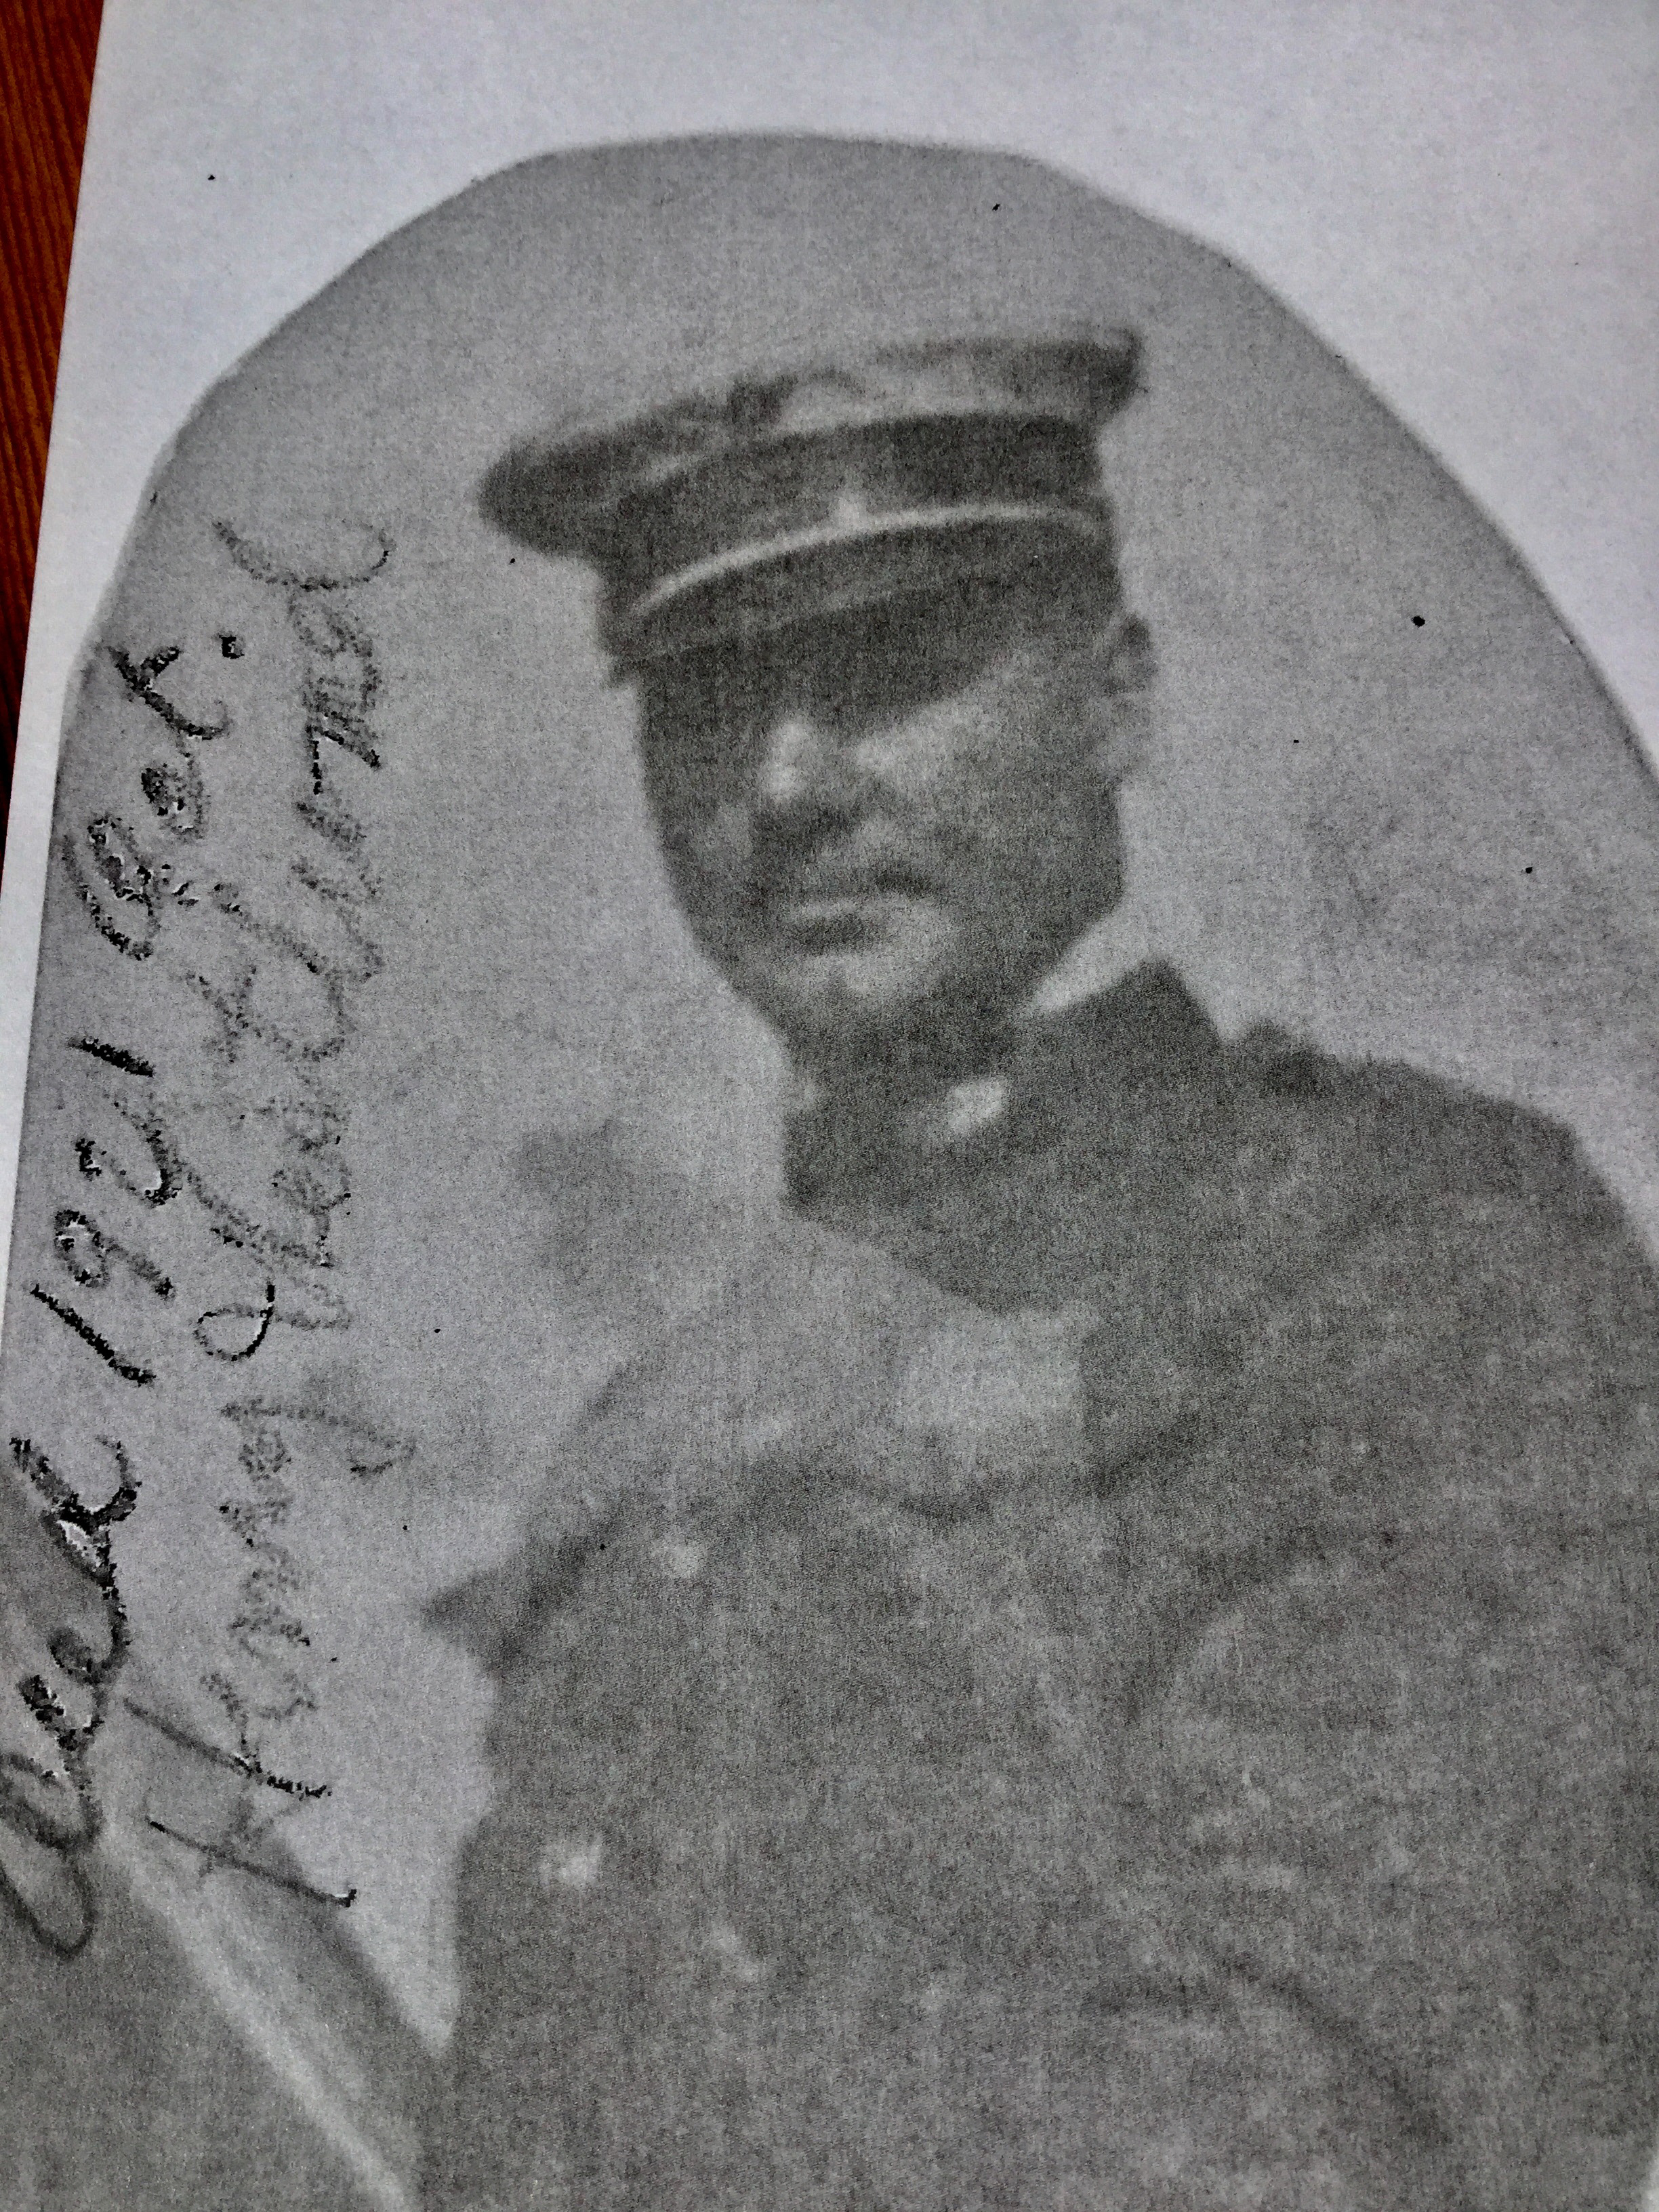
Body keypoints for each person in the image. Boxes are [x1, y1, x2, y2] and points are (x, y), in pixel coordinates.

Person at [424, 333, 1659, 2209]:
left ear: (1113, 697)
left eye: (890, 669)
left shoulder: (1406, 1245)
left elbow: (1346, 2090)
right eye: (711, 696)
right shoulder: (665, 1431)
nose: (789, 782)